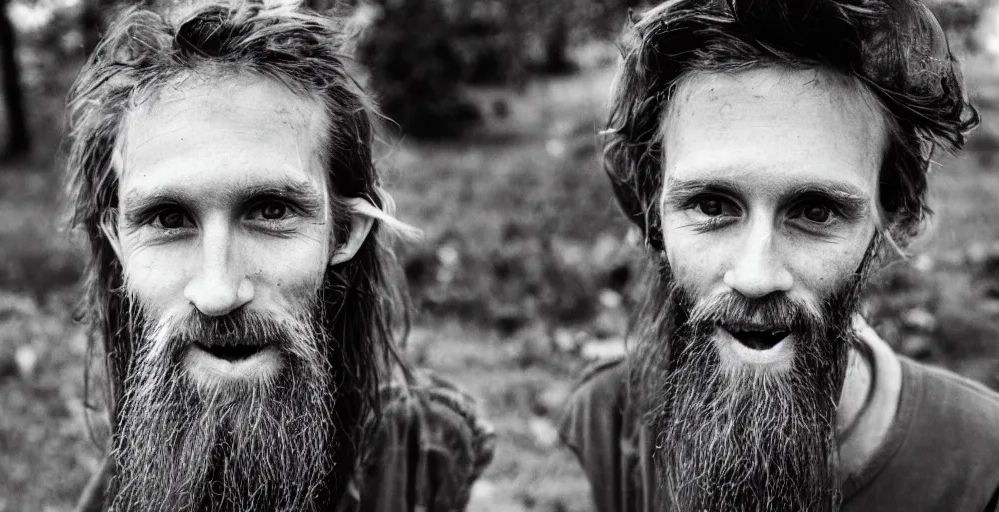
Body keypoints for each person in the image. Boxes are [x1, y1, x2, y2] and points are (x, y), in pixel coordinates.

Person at [558, 1, 999, 511]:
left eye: (815, 211)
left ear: (889, 220)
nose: (755, 275)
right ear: (653, 212)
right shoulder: (606, 426)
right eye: (711, 204)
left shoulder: (980, 467)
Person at [64, 1, 493, 510]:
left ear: (345, 232)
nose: (218, 292)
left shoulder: (426, 464)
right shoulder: (119, 492)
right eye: (167, 219)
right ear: (118, 241)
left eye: (270, 210)